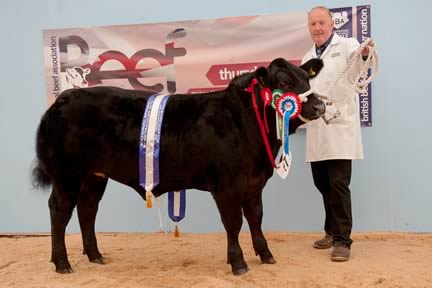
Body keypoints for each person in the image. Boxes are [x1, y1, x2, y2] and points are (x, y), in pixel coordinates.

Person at [301, 6, 374, 262]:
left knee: (339, 185)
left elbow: (362, 62)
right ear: (309, 28)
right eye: (313, 24)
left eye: (321, 23)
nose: (317, 28)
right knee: (322, 184)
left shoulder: (347, 45)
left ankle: (343, 241)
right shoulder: (307, 56)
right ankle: (330, 231)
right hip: (317, 128)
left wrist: (366, 54)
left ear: (332, 24)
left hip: (340, 126)